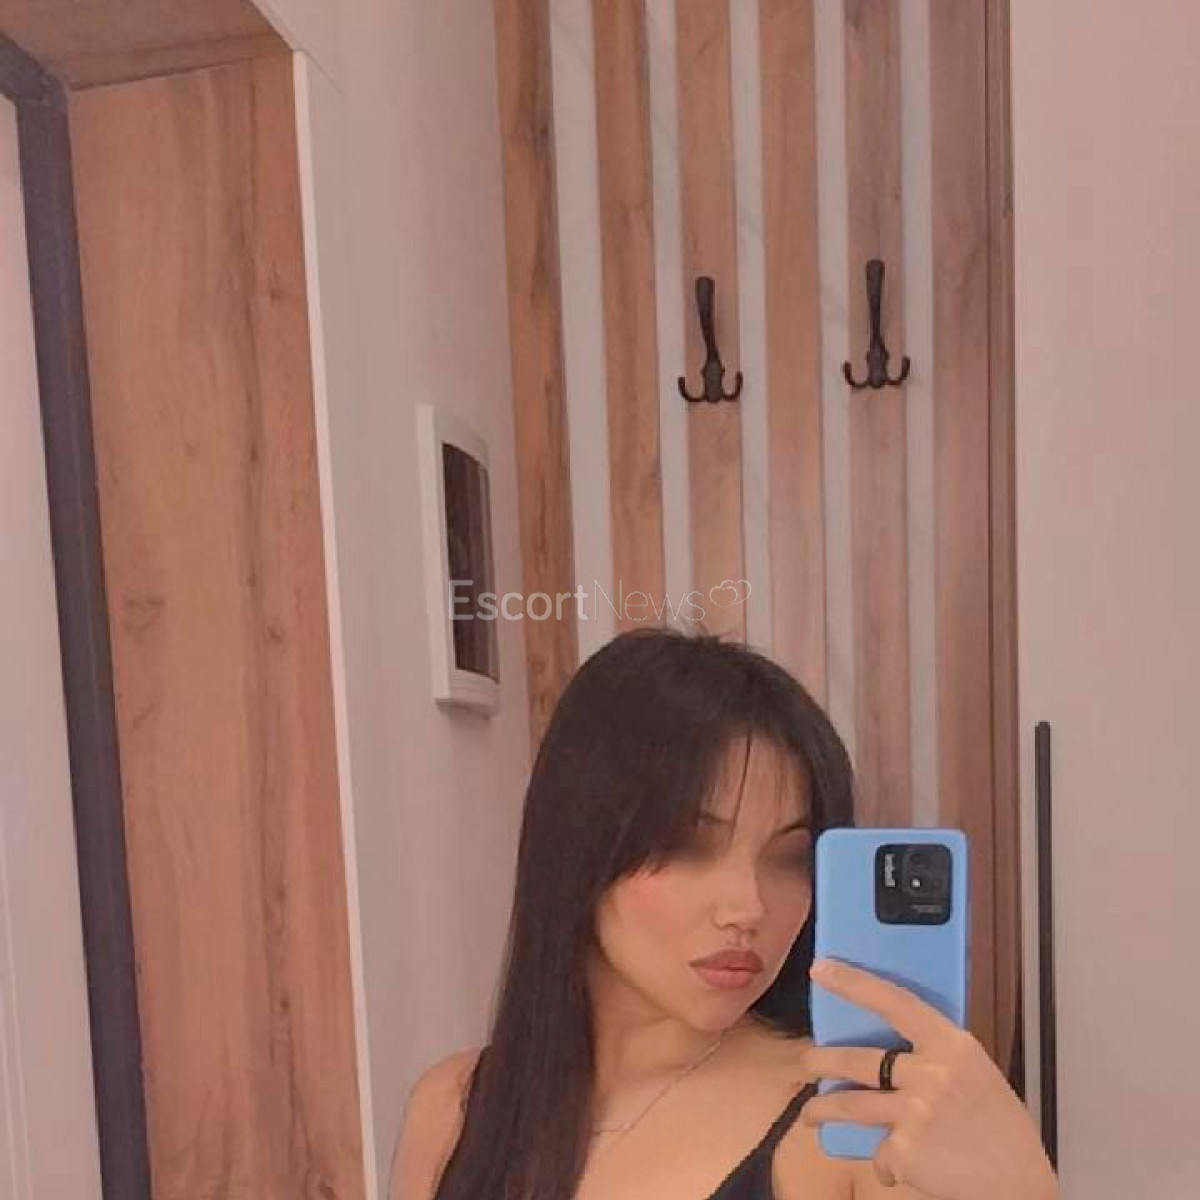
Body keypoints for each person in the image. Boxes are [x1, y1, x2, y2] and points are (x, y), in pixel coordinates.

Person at [392, 627, 1057, 1200]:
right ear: (581, 845)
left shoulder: (847, 1124)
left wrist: (1023, 1187)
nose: (749, 907)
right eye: (688, 846)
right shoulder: (453, 1110)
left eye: (789, 857)